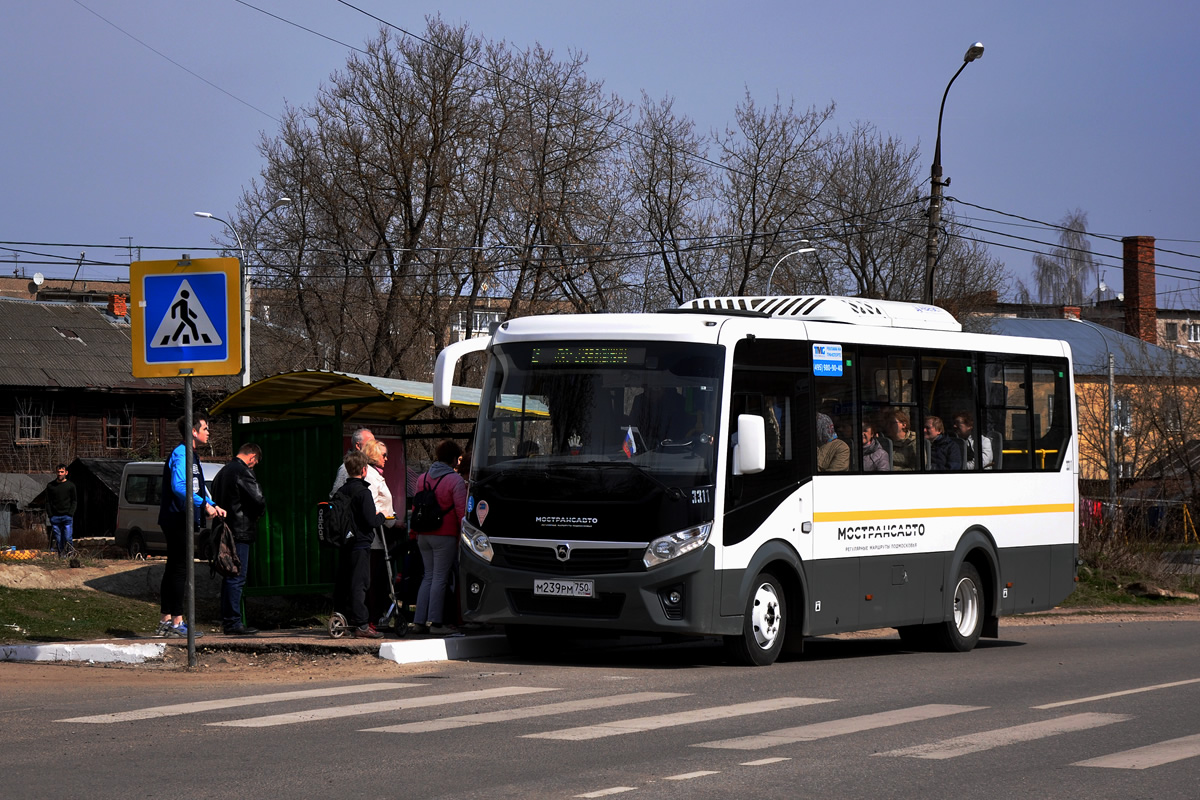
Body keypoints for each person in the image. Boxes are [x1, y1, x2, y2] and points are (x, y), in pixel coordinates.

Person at [155, 414, 225, 638]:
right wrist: (203, 505)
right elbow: (179, 487)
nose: (208, 431)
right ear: (193, 432)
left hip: (182, 517)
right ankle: (176, 622)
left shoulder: (192, 455)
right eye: (205, 428)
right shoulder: (181, 453)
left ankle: (166, 620)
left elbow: (197, 487)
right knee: (179, 570)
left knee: (175, 568)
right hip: (176, 518)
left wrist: (212, 503)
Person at [412, 440, 467, 636]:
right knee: (440, 579)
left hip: (423, 535)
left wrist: (414, 533)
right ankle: (436, 623)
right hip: (445, 535)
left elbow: (415, 507)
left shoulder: (422, 478)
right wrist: (464, 538)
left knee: (427, 576)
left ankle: (419, 621)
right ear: (453, 458)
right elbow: (462, 512)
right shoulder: (455, 481)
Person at [211, 443, 265, 636]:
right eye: (255, 462)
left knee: (228, 575)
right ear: (252, 457)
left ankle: (229, 620)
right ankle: (234, 622)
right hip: (240, 530)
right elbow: (258, 499)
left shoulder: (223, 471)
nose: (254, 466)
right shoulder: (243, 472)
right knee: (237, 576)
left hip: (223, 529)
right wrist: (257, 515)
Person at [334, 450, 385, 639]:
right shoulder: (363, 492)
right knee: (360, 583)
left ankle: (344, 617)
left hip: (345, 543)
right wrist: (382, 516)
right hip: (361, 543)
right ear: (364, 470)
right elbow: (371, 520)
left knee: (346, 582)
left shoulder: (341, 491)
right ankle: (362, 624)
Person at [362, 439, 400, 627]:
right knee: (374, 579)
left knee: (380, 578)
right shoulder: (370, 476)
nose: (386, 458)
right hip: (377, 535)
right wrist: (390, 522)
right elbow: (373, 506)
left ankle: (378, 615)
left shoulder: (376, 474)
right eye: (383, 454)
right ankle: (372, 618)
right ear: (373, 455)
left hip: (383, 533)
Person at [330, 427, 375, 496]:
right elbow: (335, 495)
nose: (374, 446)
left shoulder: (370, 464)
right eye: (370, 443)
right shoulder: (347, 467)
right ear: (358, 445)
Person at [45, 464, 77, 557]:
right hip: (55, 516)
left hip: (67, 516)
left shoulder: (71, 486)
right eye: (58, 472)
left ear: (66, 473)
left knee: (67, 537)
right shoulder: (51, 486)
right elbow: (47, 502)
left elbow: (74, 501)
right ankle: (62, 555)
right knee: (58, 539)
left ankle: (70, 554)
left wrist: (70, 513)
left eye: (62, 472)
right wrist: (50, 515)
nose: (60, 474)